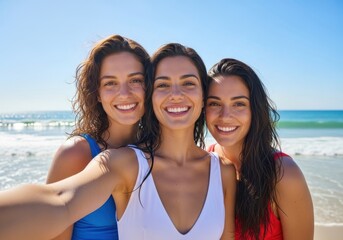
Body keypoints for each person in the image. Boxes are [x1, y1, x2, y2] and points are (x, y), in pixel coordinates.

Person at [0, 44, 236, 240]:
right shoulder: (122, 162)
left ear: (204, 97)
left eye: (188, 83)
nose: (176, 94)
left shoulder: (223, 171)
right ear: (152, 95)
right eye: (163, 84)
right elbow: (59, 201)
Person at [45, 34, 150, 240]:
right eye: (110, 83)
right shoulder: (76, 154)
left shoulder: (156, 152)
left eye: (135, 80)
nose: (124, 92)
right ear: (97, 93)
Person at [205, 58, 314, 240]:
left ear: (255, 109)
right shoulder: (205, 162)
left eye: (239, 103)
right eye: (215, 103)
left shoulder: (283, 174)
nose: (225, 116)